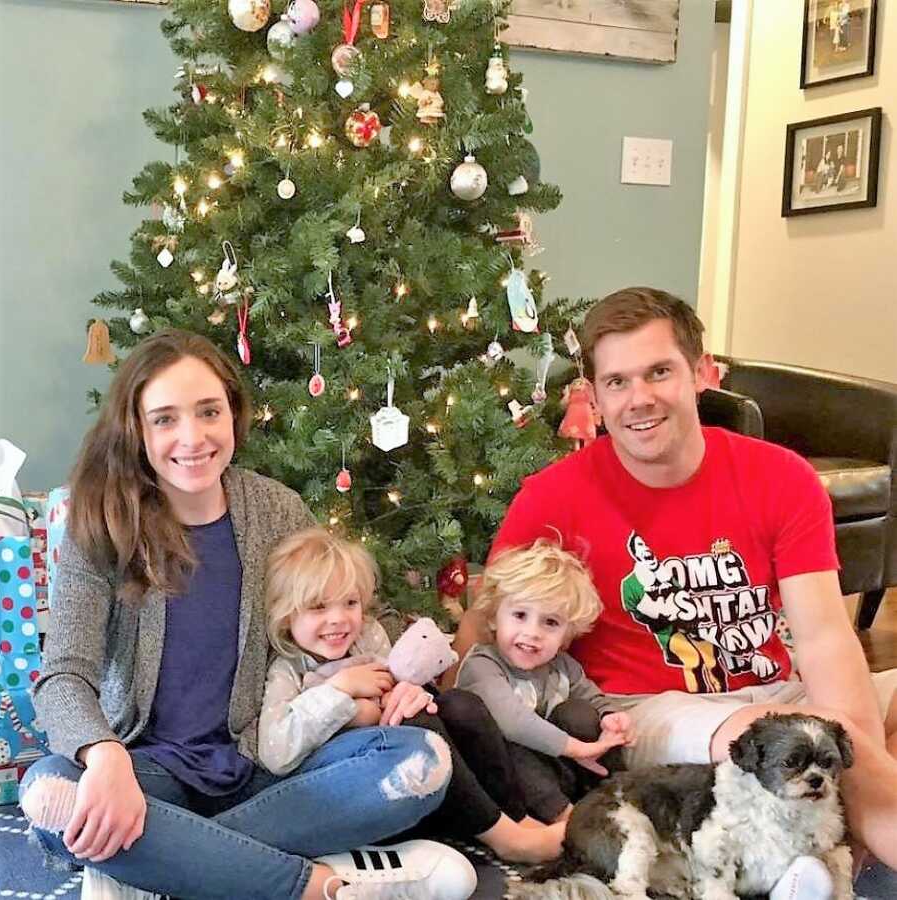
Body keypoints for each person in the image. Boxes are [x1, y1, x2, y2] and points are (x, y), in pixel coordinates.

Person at [448, 287, 897, 885]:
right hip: (649, 710)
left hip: (777, 684)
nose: (639, 400)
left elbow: (823, 639)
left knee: (839, 725)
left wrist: (852, 755)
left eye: (659, 372)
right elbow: (483, 628)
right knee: (800, 734)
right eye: (617, 382)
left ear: (704, 374)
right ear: (596, 398)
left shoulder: (781, 477)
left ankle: (817, 854)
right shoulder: (552, 498)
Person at [19, 330, 475, 900]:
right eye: (164, 419)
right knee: (48, 790)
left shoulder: (278, 509)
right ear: (136, 429)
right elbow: (63, 673)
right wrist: (105, 757)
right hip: (149, 773)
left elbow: (350, 610)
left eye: (209, 411)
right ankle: (317, 886)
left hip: (269, 763)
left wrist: (401, 682)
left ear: (233, 413)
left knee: (422, 759)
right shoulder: (105, 525)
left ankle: (161, 867)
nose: (192, 437)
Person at [260, 527, 566, 864]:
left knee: (461, 705)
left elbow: (397, 683)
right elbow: (276, 752)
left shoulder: (368, 635)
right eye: (318, 607)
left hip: (424, 774)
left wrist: (411, 691)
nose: (338, 619)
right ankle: (509, 840)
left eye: (350, 602)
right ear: (288, 615)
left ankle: (515, 815)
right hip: (372, 788)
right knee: (414, 724)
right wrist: (341, 690)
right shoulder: (288, 669)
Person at [455, 539, 635, 824]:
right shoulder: (482, 665)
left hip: (553, 770)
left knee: (579, 713)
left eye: (550, 623)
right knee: (511, 744)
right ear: (493, 618)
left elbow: (593, 697)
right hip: (502, 782)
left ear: (567, 634)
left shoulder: (562, 667)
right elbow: (512, 721)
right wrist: (578, 748)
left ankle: (616, 798)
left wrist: (610, 718)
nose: (532, 632)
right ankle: (567, 820)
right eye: (520, 615)